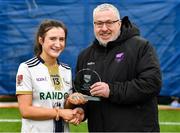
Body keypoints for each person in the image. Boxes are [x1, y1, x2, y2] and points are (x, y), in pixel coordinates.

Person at [75, 3, 162, 132]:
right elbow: (85, 93)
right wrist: (82, 110)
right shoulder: (85, 55)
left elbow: (151, 84)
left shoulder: (141, 47)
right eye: (99, 23)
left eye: (109, 22)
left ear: (119, 24)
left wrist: (111, 90)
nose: (104, 28)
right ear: (93, 25)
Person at [16, 19, 84, 132]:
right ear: (41, 40)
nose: (58, 44)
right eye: (52, 39)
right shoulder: (26, 68)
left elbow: (64, 106)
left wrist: (71, 103)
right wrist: (59, 112)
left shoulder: (66, 69)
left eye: (61, 39)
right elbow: (25, 111)